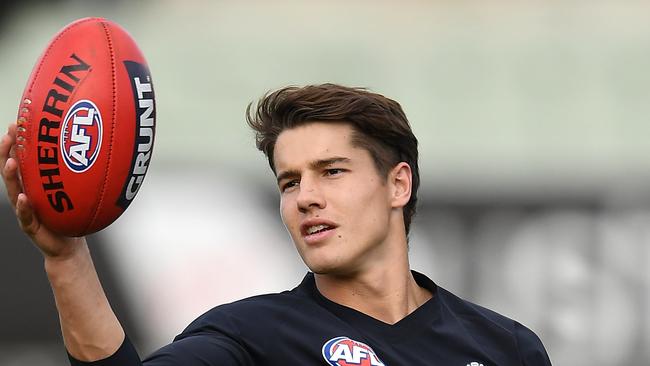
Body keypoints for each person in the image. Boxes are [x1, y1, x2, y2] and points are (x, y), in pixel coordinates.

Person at [1, 83, 552, 365]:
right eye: (290, 182)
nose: (306, 197)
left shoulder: (505, 347)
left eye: (331, 172)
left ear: (397, 185)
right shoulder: (251, 337)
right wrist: (66, 257)